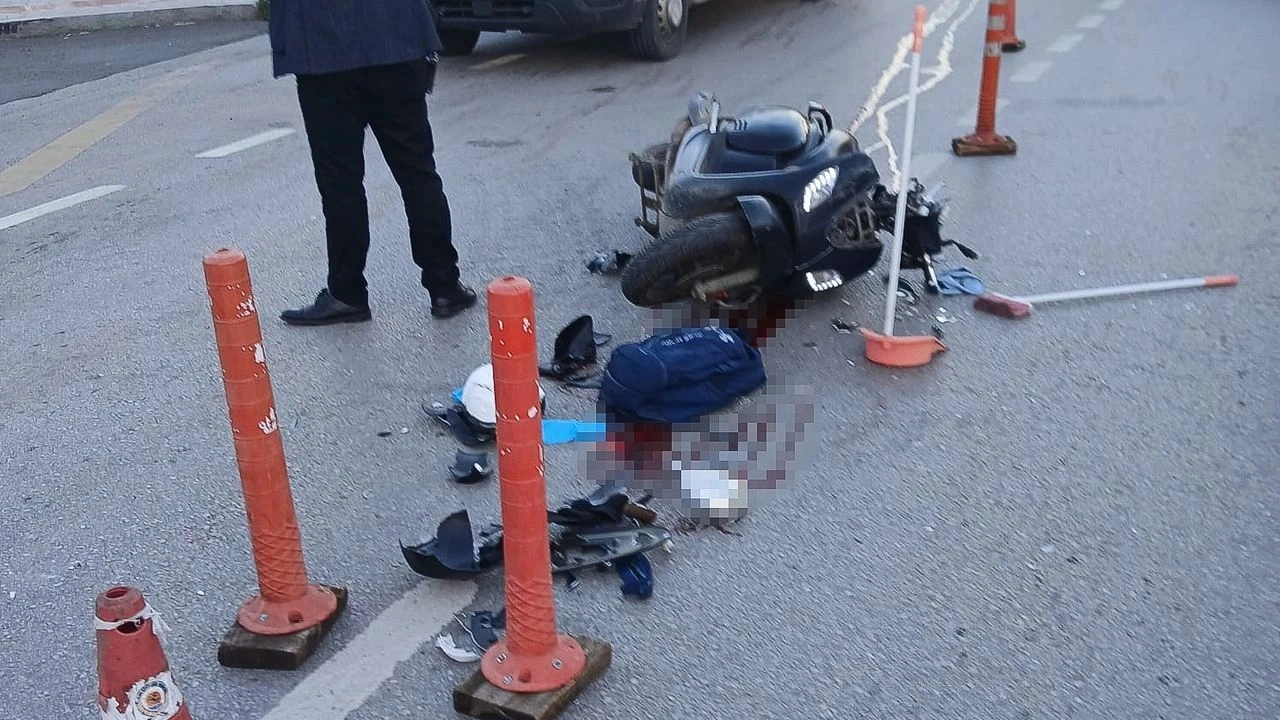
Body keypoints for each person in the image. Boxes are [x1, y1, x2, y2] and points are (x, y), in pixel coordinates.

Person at [267, 0, 478, 325]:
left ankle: (347, 293)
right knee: (417, 173)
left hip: (323, 53)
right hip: (396, 41)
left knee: (341, 184)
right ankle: (444, 286)